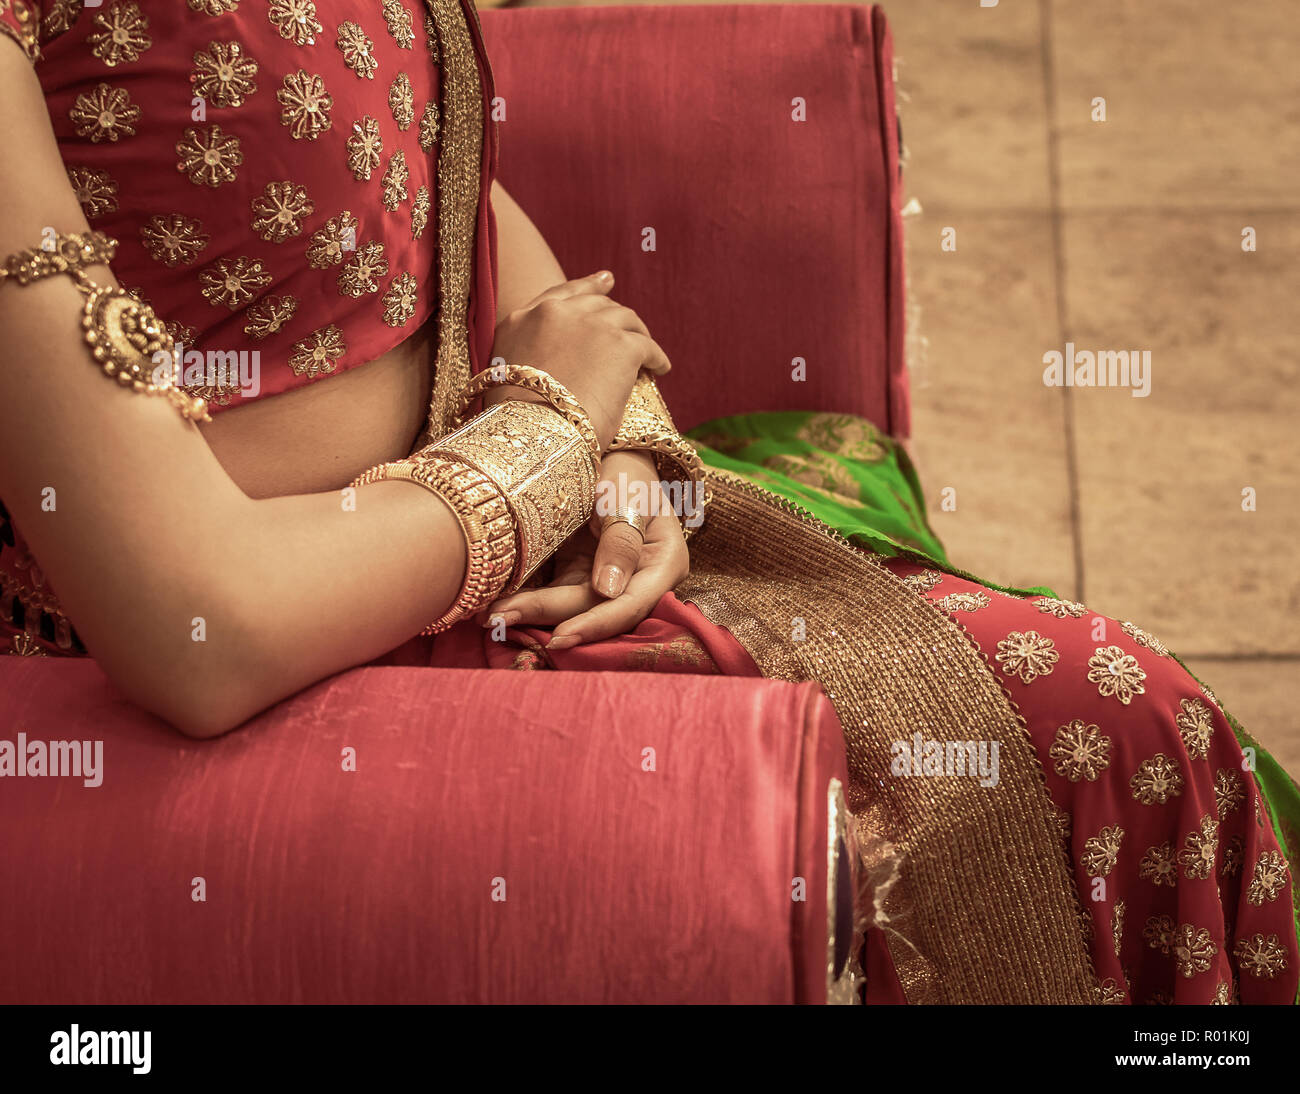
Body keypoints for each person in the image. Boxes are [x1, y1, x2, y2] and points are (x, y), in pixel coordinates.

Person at [0, 0, 1294, 1005]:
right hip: (307, 664)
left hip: (523, 551)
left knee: (1136, 727)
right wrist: (545, 440)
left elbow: (444, 187)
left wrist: (625, 446)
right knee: (1112, 738)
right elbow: (194, 624)